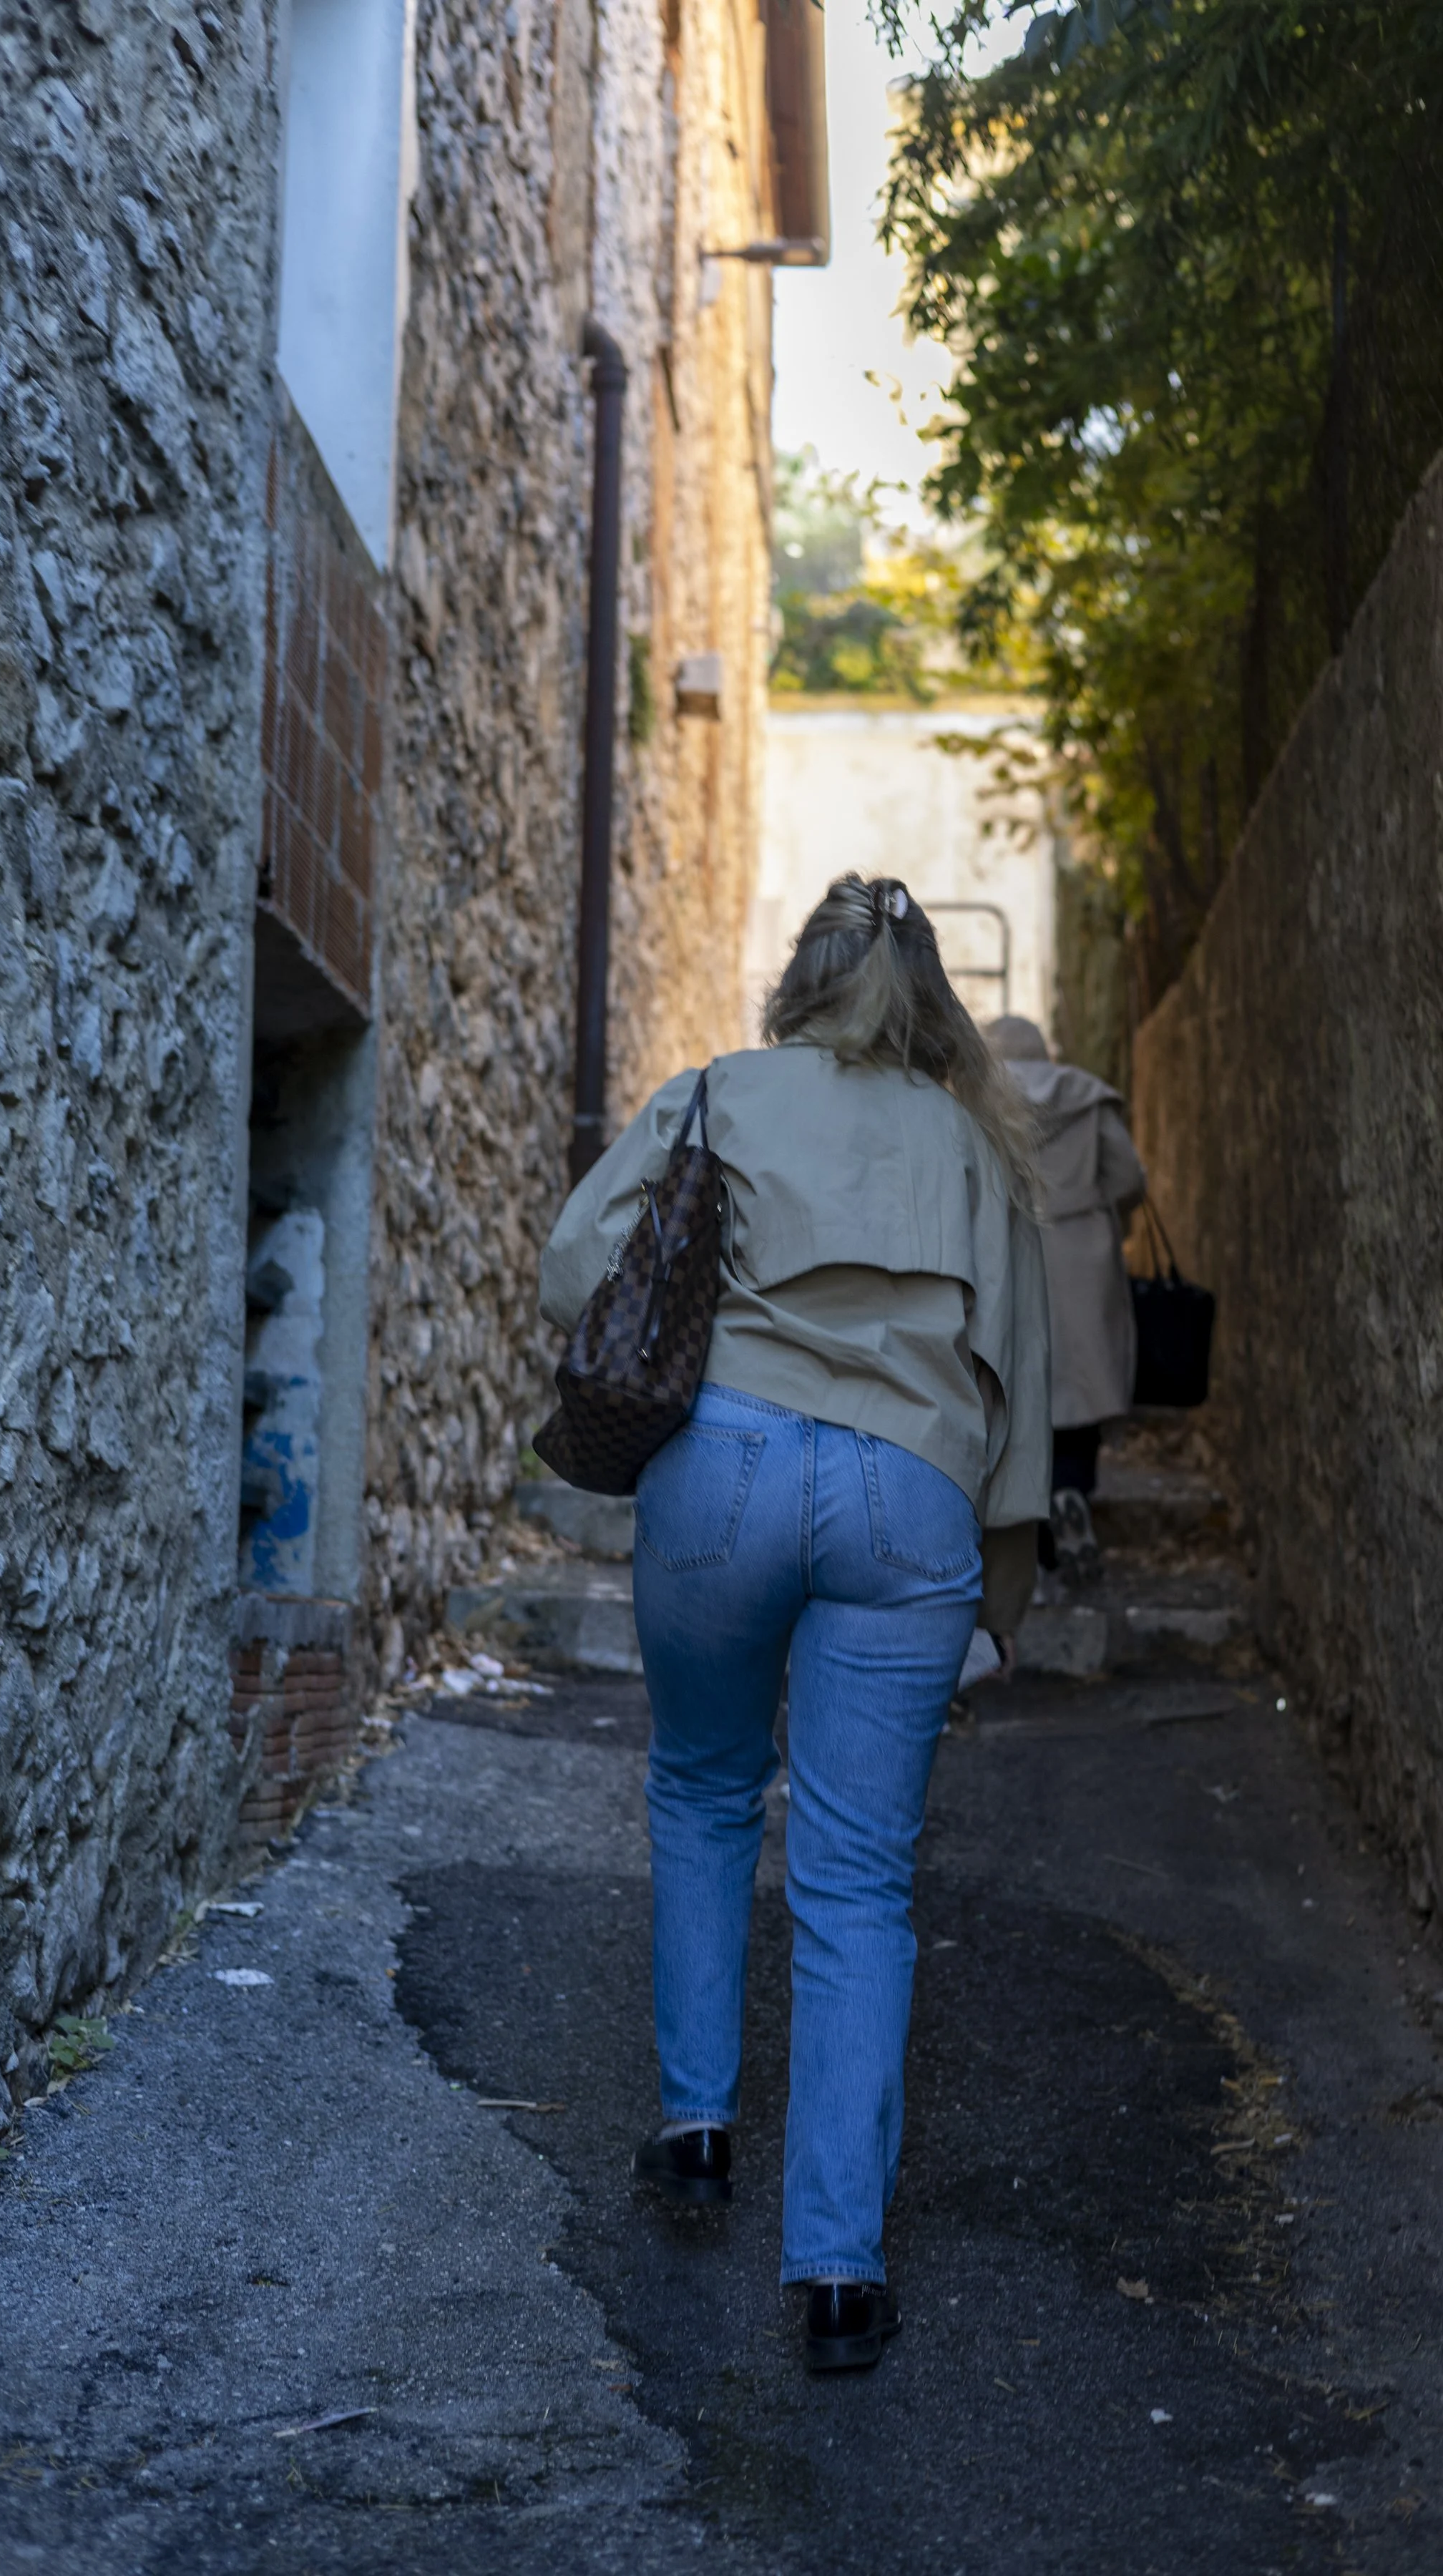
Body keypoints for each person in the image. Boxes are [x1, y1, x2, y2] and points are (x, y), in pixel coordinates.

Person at [539, 877, 1050, 2375]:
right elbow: (1019, 1389)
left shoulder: (718, 1096)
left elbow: (581, 1268)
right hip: (909, 1499)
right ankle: (837, 2274)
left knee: (703, 1783)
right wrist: (999, 1608)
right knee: (857, 1886)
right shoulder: (971, 1150)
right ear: (930, 998)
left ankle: (695, 2128)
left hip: (726, 1471)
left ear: (801, 981)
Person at [983, 1016, 1145, 1584]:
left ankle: (1030, 1523)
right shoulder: (1086, 1097)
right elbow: (1128, 1177)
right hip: (1082, 1253)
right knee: (1080, 1384)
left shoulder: (980, 1098)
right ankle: (1073, 1492)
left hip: (1009, 1250)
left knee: (1022, 1385)